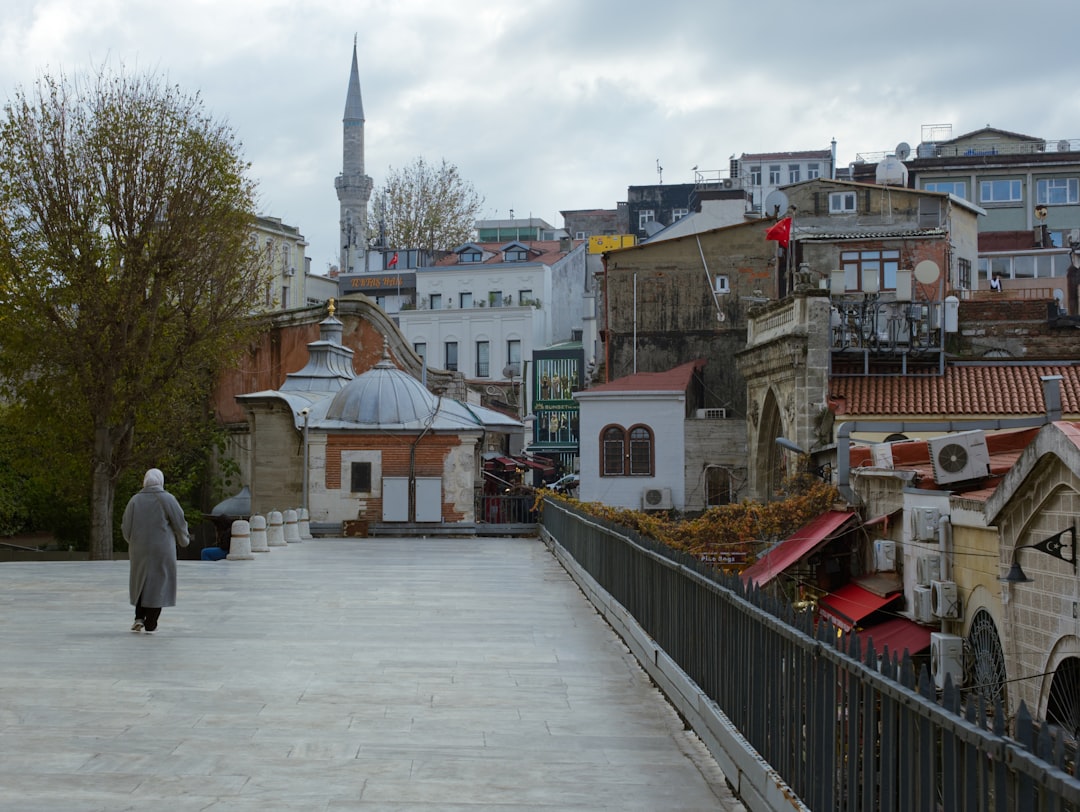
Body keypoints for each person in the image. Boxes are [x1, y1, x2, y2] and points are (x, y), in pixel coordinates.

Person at [122, 468, 189, 633]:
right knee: (160, 583)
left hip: (139, 548)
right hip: (162, 548)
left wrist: (133, 543)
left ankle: (138, 617)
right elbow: (179, 522)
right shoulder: (167, 498)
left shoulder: (134, 500)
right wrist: (183, 540)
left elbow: (126, 527)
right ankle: (151, 621)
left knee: (140, 582)